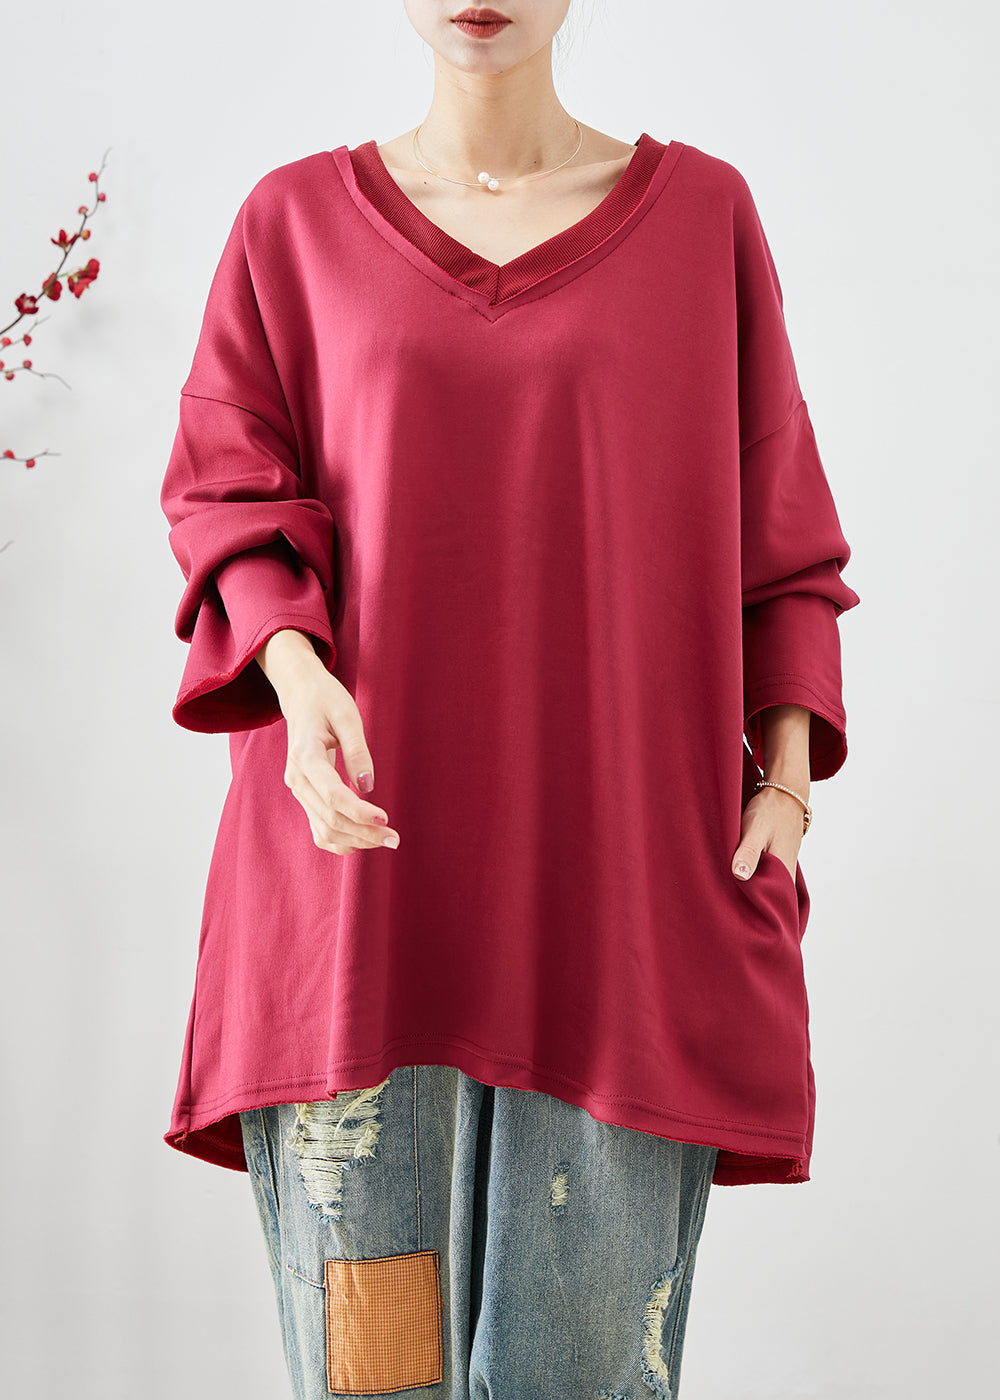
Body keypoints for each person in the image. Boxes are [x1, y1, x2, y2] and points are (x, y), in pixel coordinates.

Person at [159, 3, 861, 1396]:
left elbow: (781, 539)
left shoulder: (700, 221)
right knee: (377, 1380)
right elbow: (226, 493)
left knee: (580, 1379)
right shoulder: (291, 226)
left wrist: (783, 785)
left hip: (623, 928)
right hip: (358, 926)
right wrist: (295, 671)